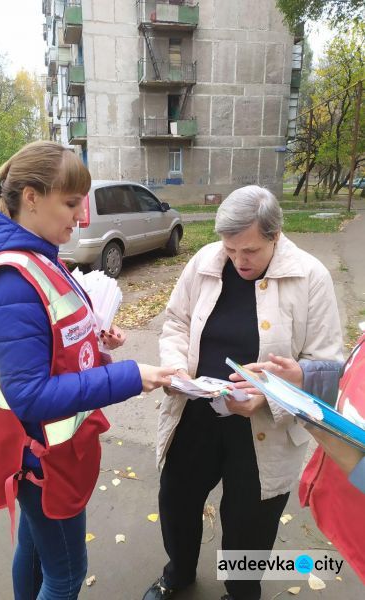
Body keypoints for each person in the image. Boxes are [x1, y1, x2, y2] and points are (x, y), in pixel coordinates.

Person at [0, 141, 175, 600]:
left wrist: (94, 338)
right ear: (31, 197)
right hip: (41, 457)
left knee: (35, 553)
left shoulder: (40, 256)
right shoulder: (12, 276)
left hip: (49, 452)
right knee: (66, 575)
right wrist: (130, 376)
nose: (80, 215)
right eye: (70, 203)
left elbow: (52, 343)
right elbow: (29, 394)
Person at [142, 185, 343, 600]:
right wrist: (177, 366)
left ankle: (240, 590)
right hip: (196, 412)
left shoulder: (310, 276)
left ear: (275, 235)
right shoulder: (204, 262)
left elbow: (327, 365)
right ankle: (177, 574)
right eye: (230, 249)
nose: (239, 261)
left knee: (250, 521)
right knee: (176, 501)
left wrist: (269, 396)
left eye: (249, 250)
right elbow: (177, 322)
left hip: (263, 428)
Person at [229, 338, 365, 583]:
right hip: (351, 515)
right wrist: (304, 377)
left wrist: (347, 455)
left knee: (251, 527)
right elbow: (350, 373)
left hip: (353, 507)